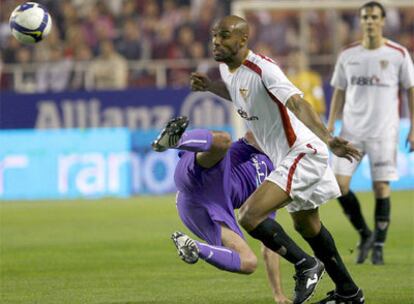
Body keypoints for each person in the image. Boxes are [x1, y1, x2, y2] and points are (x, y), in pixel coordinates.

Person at [190, 15, 364, 304]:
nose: (216, 42)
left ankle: (305, 264)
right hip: (287, 157)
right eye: (213, 36)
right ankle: (349, 292)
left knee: (249, 215)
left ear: (243, 39)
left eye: (224, 36)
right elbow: (239, 94)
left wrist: (328, 138)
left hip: (302, 151)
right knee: (308, 227)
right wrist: (210, 86)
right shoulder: (227, 70)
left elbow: (297, 102)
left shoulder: (264, 68)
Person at [152, 116, 292, 304]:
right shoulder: (265, 147)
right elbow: (255, 133)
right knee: (223, 140)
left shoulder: (274, 189)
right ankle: (176, 140)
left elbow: (269, 245)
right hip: (205, 174)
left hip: (209, 207)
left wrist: (278, 294)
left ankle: (193, 247)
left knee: (249, 262)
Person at [327, 1, 414, 265]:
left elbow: (410, 89)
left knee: (381, 187)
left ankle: (378, 245)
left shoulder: (398, 54)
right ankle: (365, 233)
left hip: (384, 132)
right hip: (351, 132)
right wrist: (330, 126)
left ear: (383, 21)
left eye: (374, 17)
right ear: (361, 21)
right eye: (365, 17)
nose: (369, 21)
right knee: (339, 186)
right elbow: (339, 91)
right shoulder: (348, 55)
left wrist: (412, 127)